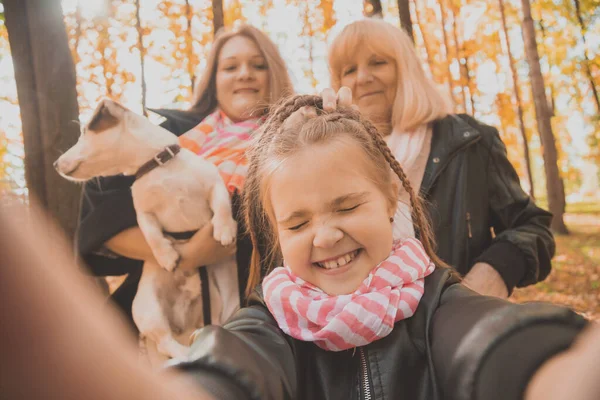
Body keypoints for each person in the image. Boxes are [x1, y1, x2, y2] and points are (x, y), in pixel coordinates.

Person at [166, 94, 592, 400]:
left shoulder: (437, 302)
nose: (325, 235)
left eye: (347, 206)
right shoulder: (271, 320)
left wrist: (553, 368)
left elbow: (486, 337)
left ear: (391, 198)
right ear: (276, 232)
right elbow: (235, 360)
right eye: (297, 223)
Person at [76, 24, 293, 331]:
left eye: (258, 65)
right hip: (161, 316)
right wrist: (187, 255)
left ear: (274, 74)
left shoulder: (296, 135)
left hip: (258, 315)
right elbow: (100, 208)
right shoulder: (172, 136)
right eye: (230, 66)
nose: (245, 73)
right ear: (214, 81)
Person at [326, 19, 554, 298]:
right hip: (365, 332)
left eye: (377, 63)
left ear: (405, 70)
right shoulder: (333, 159)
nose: (362, 78)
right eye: (349, 70)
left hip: (460, 325)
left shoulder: (470, 141)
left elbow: (532, 227)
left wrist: (494, 272)